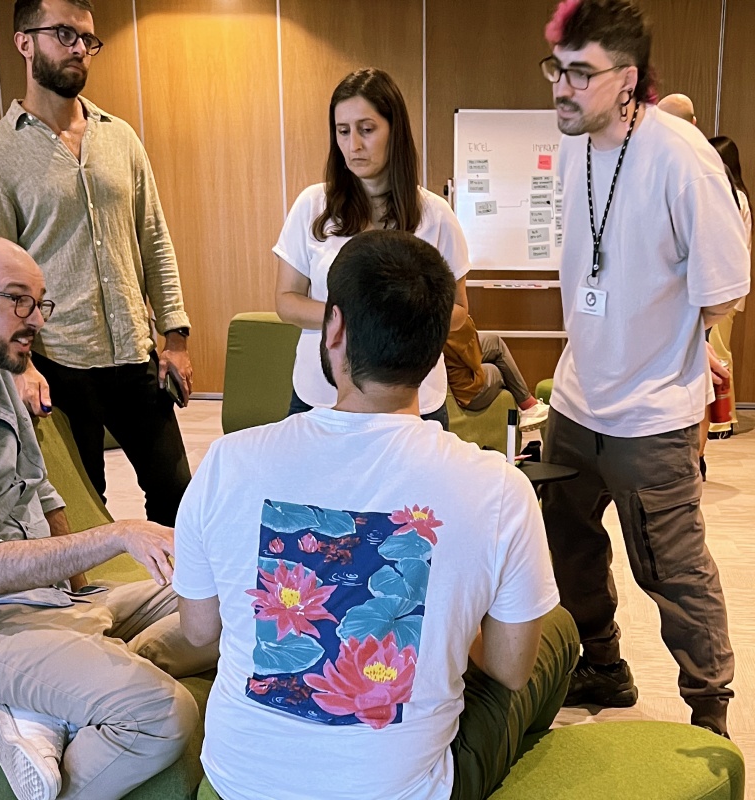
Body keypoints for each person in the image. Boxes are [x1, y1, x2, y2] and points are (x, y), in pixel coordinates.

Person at [175, 230, 570, 800]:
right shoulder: (500, 489)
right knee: (554, 630)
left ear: (334, 328)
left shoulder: (228, 461)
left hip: (240, 779)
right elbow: (509, 670)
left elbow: (198, 630)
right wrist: (446, 628)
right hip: (402, 790)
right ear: (436, 347)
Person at [0, 237, 217, 800]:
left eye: (39, 304)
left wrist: (79, 593)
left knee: (230, 600)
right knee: (164, 714)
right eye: (17, 301)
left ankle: (61, 692)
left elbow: (43, 494)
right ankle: (69, 696)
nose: (35, 321)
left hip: (46, 605)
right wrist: (116, 534)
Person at [538, 0, 751, 737]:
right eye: (557, 70)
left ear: (627, 80)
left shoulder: (683, 156)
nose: (562, 89)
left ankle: (708, 709)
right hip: (573, 400)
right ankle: (601, 664)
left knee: (672, 569)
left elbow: (724, 290)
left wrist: (660, 354)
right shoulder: (571, 145)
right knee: (567, 549)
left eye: (581, 74)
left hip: (653, 414)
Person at [0, 0, 193, 526]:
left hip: (135, 353)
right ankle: (98, 607)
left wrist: (176, 338)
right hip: (56, 366)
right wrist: (18, 369)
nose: (78, 49)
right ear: (25, 42)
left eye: (87, 40)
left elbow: (154, 240)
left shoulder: (121, 137)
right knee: (83, 512)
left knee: (179, 495)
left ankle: (175, 598)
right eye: (63, 34)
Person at [274, 68, 471, 431]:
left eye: (367, 129)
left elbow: (458, 311)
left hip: (414, 400)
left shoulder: (435, 215)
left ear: (394, 131)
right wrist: (350, 322)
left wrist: (402, 324)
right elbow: (286, 300)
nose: (354, 145)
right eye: (343, 131)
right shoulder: (312, 205)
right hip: (321, 395)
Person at [705, 135, 754, 440]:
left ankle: (722, 420)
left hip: (724, 290)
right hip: (721, 289)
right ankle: (716, 418)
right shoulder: (730, 195)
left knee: (719, 352)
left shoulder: (733, 197)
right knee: (714, 351)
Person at [443, 316, 549, 430]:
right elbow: (470, 352)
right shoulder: (454, 321)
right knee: (498, 369)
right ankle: (527, 406)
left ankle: (527, 404)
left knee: (495, 342)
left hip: (452, 371)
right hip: (467, 391)